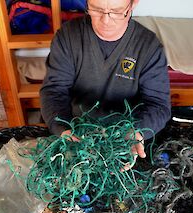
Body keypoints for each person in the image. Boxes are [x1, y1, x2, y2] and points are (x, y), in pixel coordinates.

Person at [40, 0, 171, 169]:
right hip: (76, 131)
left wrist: (136, 131)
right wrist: (63, 128)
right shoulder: (68, 36)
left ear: (132, 5)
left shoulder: (149, 46)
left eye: (116, 12)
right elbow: (54, 90)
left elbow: (159, 105)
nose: (106, 21)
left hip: (125, 139)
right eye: (96, 10)